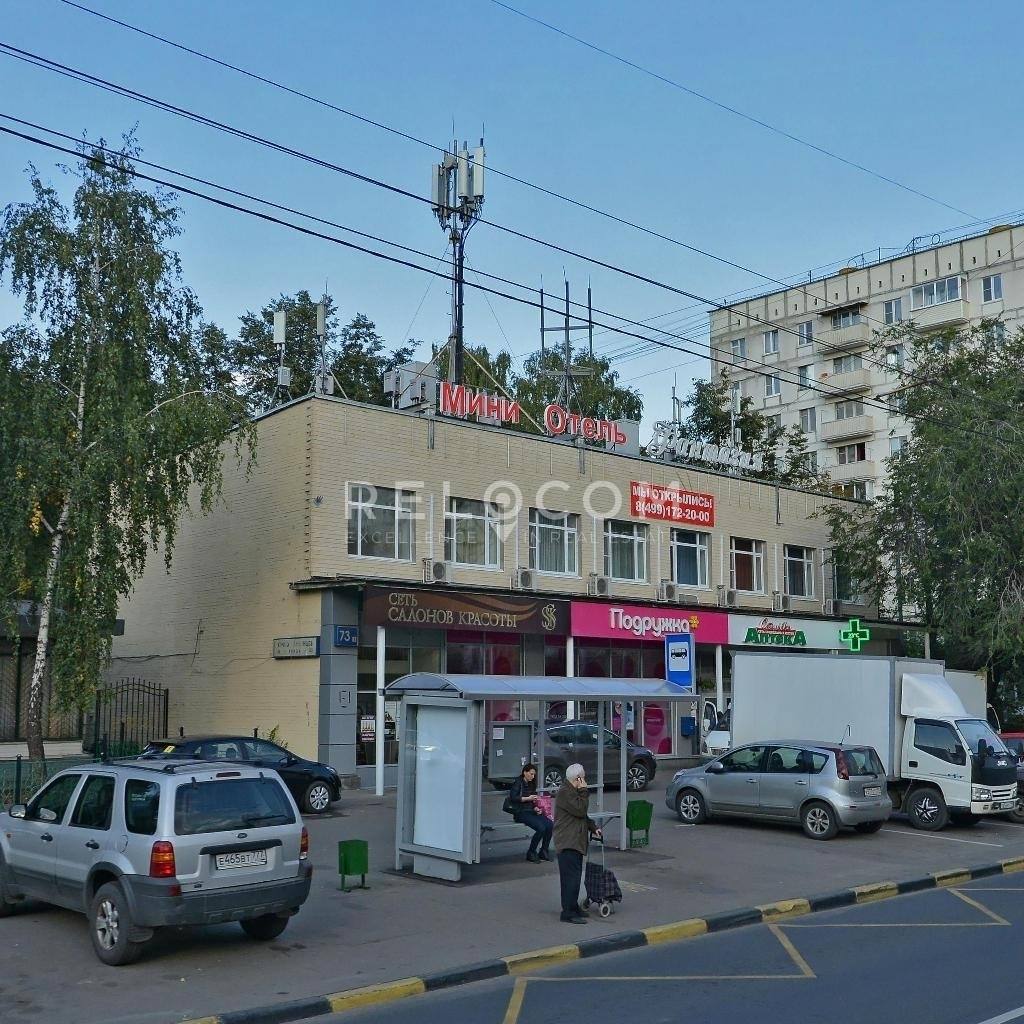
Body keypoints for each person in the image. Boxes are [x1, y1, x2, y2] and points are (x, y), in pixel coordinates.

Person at [553, 763, 601, 924]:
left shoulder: (572, 792)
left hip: (575, 841)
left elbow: (582, 816)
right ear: (578, 779)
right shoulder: (565, 792)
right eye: (583, 778)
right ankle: (567, 912)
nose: (585, 781)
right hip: (568, 841)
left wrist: (593, 827)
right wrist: (584, 790)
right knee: (570, 879)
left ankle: (573, 907)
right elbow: (580, 809)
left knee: (575, 877)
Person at [507, 765, 553, 863]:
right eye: (531, 774)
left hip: (531, 811)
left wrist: (536, 808)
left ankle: (544, 850)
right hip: (521, 812)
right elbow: (513, 797)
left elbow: (532, 802)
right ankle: (531, 852)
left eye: (534, 774)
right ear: (525, 772)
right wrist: (528, 798)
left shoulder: (532, 783)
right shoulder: (518, 782)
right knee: (541, 828)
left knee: (550, 825)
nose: (533, 776)